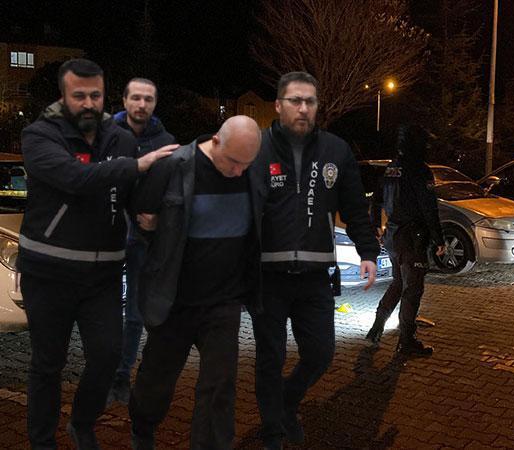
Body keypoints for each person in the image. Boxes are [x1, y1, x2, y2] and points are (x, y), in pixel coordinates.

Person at [18, 58, 174, 449]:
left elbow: (130, 195)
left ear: (105, 95)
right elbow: (75, 178)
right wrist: (136, 165)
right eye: (79, 95)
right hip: (48, 273)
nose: (89, 103)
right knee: (47, 364)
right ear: (63, 95)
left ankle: (82, 423)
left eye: (96, 95)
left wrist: (148, 219)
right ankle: (42, 441)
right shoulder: (39, 135)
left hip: (103, 275)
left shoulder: (120, 140)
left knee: (107, 357)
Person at [252, 71, 380, 449]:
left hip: (315, 277)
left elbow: (354, 207)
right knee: (269, 359)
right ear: (278, 105)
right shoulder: (257, 148)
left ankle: (287, 403)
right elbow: (237, 206)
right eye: (295, 100)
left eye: (310, 101)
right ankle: (272, 432)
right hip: (267, 276)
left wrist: (367, 252)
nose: (303, 108)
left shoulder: (336, 151)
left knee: (321, 353)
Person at [127, 116, 265, 450]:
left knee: (219, 387)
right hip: (175, 300)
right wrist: (151, 228)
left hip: (224, 302)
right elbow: (139, 213)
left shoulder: (250, 172)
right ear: (216, 141)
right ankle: (142, 429)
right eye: (233, 162)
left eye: (246, 164)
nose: (238, 172)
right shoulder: (173, 167)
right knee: (156, 382)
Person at [108, 77, 177, 405]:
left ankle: (121, 376)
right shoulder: (104, 135)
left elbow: (176, 194)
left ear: (155, 103)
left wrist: (160, 220)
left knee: (135, 313)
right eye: (135, 97)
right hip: (104, 236)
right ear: (124, 100)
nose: (141, 104)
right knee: (101, 311)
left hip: (142, 240)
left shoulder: (166, 142)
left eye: (148, 99)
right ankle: (101, 373)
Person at [365, 124, 445, 355]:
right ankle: (406, 341)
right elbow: (429, 207)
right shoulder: (420, 170)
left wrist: (375, 226)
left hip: (393, 236)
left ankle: (376, 328)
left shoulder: (392, 168)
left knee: (398, 283)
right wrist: (438, 239)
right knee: (413, 289)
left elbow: (376, 200)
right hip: (412, 238)